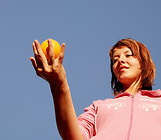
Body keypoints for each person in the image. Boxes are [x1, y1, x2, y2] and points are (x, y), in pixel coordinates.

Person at [30, 38, 161, 140]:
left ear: (144, 63)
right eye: (115, 59)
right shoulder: (98, 107)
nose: (120, 60)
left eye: (128, 55)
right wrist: (58, 83)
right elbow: (74, 137)